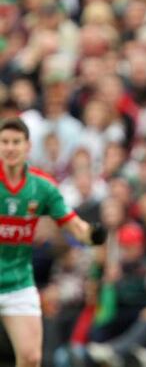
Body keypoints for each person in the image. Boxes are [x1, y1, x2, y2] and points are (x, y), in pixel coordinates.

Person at [0, 117, 104, 367]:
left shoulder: (42, 187)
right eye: (4, 142)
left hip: (18, 282)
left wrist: (92, 235)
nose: (10, 148)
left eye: (16, 142)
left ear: (28, 146)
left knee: (31, 357)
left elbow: (73, 224)